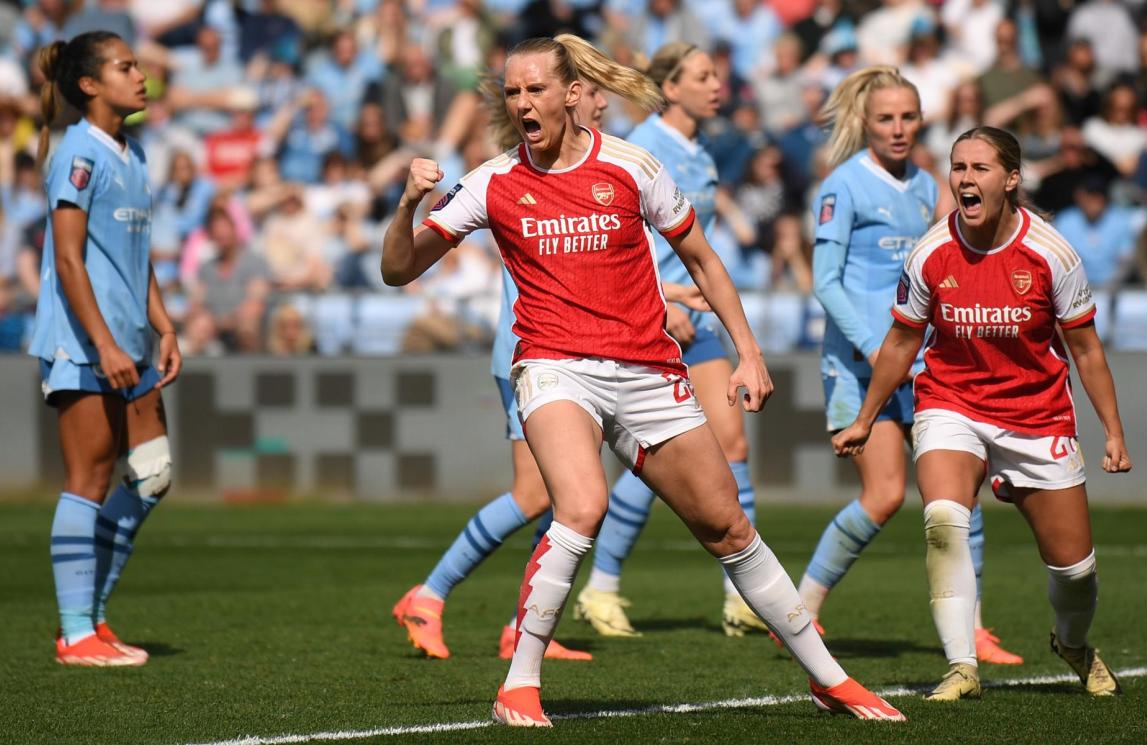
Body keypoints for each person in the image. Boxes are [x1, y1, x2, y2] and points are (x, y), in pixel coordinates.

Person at [382, 33, 904, 727]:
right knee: (580, 504)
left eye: (534, 88)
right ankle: (519, 685)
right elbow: (398, 269)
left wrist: (747, 351)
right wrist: (406, 205)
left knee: (728, 525)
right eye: (512, 91)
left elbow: (705, 262)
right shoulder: (491, 181)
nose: (521, 102)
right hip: (553, 366)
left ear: (572, 95)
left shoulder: (631, 166)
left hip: (649, 370)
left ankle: (829, 679)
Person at [832, 126, 1130, 701]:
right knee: (944, 520)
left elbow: (1086, 350)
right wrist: (867, 417)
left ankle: (1072, 643)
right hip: (951, 402)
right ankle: (961, 665)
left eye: (980, 168)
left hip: (1035, 415)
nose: (965, 179)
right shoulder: (929, 253)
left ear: (1011, 179)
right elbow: (899, 344)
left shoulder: (1051, 254)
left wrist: (1113, 432)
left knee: (1074, 573)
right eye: (958, 167)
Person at [797, 66, 1022, 666]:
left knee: (959, 493)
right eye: (886, 119)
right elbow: (825, 282)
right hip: (860, 365)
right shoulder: (842, 186)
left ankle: (974, 630)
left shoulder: (927, 185)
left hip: (920, 365)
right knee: (884, 496)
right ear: (865, 123)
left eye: (908, 117)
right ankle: (800, 611)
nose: (899, 129)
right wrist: (875, 348)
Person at [390, 77, 612, 662]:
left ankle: (523, 624)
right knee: (537, 494)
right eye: (590, 93)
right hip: (530, 353)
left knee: (571, 496)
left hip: (574, 354)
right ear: (569, 98)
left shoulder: (590, 165)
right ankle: (429, 594)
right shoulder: (519, 175)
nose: (601, 104)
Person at [573, 40, 768, 640]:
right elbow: (622, 237)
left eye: (717, 74)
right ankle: (603, 586)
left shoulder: (701, 153)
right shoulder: (647, 146)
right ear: (671, 88)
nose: (717, 86)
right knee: (660, 460)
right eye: (703, 76)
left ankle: (739, 596)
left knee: (728, 445)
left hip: (695, 317)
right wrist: (659, 297)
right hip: (653, 316)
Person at [29, 32, 182, 667]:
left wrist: (164, 325)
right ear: (90, 85)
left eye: (138, 65)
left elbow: (135, 257)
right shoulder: (78, 153)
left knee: (151, 476)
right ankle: (73, 632)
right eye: (125, 67)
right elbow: (68, 259)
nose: (140, 75)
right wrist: (101, 342)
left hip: (130, 343)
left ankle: (92, 616)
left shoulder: (135, 153)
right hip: (83, 344)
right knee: (88, 479)